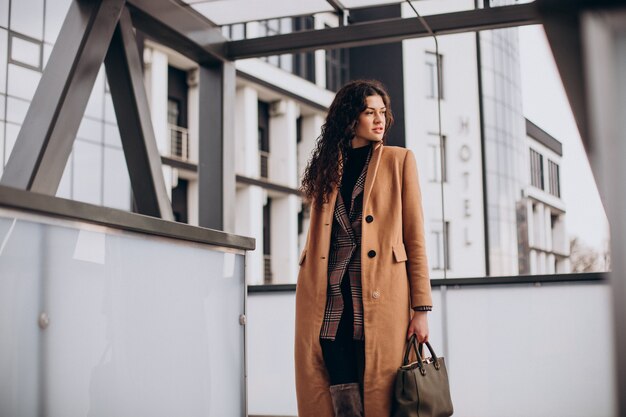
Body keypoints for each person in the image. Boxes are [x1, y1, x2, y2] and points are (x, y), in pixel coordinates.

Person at [295, 79, 433, 417]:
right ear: (349, 119)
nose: (379, 119)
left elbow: (414, 238)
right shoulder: (328, 167)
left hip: (380, 296)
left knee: (377, 384)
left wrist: (421, 309)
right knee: (335, 378)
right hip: (329, 297)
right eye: (369, 112)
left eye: (382, 112)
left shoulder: (399, 161)